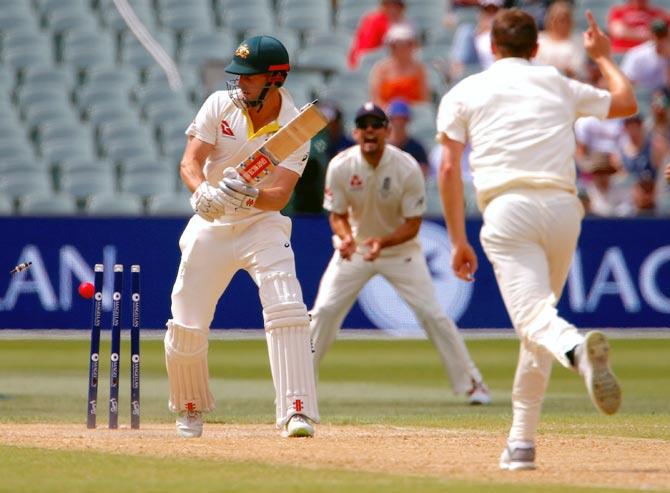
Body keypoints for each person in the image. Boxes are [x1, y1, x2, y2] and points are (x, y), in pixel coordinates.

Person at [436, 9, 636, 470]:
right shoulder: (557, 82)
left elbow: (448, 169)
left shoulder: (466, 90)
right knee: (537, 323)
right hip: (566, 208)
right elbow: (625, 103)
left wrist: (455, 240)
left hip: (509, 208)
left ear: (492, 47)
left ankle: (576, 348)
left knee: (537, 323)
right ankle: (521, 443)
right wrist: (603, 58)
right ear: (535, 47)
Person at [165, 35, 319, 439]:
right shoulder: (220, 105)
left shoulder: (296, 125)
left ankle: (296, 410)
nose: (241, 83)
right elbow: (190, 162)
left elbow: (280, 195)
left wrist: (250, 194)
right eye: (239, 76)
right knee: (187, 320)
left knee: (287, 305)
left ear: (275, 78)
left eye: (250, 77)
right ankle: (189, 406)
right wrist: (202, 195)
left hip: (260, 225)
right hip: (210, 224)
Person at [310, 102, 492, 406]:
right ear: (355, 132)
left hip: (400, 252)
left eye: (376, 125)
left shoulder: (406, 166)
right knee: (324, 311)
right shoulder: (341, 165)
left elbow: (412, 224)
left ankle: (472, 383)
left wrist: (382, 243)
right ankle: (301, 385)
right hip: (355, 248)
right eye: (364, 124)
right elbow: (337, 214)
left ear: (387, 131)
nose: (370, 130)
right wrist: (345, 238)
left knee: (432, 314)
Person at [369, 23, 430, 108]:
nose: (402, 49)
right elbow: (376, 99)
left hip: (414, 115)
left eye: (407, 44)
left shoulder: (420, 69)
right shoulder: (381, 69)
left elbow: (424, 99)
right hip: (387, 115)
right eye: (397, 45)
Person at [449, 0, 502, 81]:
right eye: (487, 10)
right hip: (479, 79)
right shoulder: (468, 32)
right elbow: (457, 65)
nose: (490, 15)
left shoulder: (506, 36)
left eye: (494, 11)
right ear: (480, 12)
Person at [348, 0, 407, 70]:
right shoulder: (373, 21)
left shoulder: (404, 24)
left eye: (396, 5)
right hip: (366, 65)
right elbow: (365, 52)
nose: (392, 9)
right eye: (388, 5)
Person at [535, 1, 586, 78]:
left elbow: (578, 67)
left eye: (565, 19)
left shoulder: (578, 40)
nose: (563, 23)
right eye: (559, 19)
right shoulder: (540, 39)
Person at [621, 18, 670, 91]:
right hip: (641, 94)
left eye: (662, 35)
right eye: (656, 34)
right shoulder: (637, 54)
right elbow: (627, 82)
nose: (658, 38)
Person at [386, 98, 430, 175]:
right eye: (395, 119)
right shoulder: (381, 147)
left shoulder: (417, 148)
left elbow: (424, 172)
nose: (398, 123)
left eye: (402, 119)